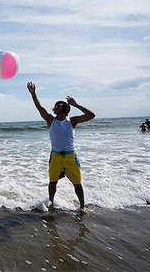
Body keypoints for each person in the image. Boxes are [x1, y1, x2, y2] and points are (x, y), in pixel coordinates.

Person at [27, 82, 95, 212]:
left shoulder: (72, 121)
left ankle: (82, 207)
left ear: (64, 109)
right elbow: (39, 108)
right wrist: (33, 94)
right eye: (55, 106)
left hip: (70, 157)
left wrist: (77, 105)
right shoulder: (51, 120)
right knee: (53, 181)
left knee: (77, 183)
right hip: (56, 156)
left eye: (58, 106)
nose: (55, 107)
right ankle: (51, 202)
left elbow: (91, 116)